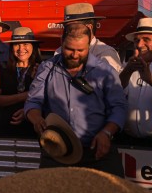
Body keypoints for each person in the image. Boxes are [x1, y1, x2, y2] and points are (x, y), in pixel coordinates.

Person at [24, 23, 127, 177]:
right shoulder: (47, 68)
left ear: (89, 45)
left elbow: (119, 107)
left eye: (81, 50)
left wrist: (106, 133)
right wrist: (36, 118)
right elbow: (33, 101)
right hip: (57, 149)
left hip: (98, 150)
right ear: (61, 42)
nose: (75, 55)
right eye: (69, 49)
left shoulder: (105, 71)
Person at [0, 27, 41, 138]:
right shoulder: (3, 69)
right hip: (5, 129)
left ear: (33, 46)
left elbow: (46, 99)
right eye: (17, 44)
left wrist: (28, 111)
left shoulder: (41, 69)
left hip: (31, 129)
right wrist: (26, 95)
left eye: (25, 44)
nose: (21, 49)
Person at [116, 18, 152, 147]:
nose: (140, 44)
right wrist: (128, 71)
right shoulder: (128, 66)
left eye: (146, 40)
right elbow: (115, 93)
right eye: (137, 40)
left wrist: (149, 80)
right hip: (129, 142)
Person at [55, 3, 122, 72]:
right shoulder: (59, 51)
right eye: (66, 27)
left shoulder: (105, 53)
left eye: (72, 27)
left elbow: (109, 80)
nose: (67, 31)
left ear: (89, 28)